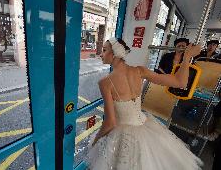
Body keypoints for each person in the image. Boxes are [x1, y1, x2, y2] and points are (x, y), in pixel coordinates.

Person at [87, 37, 203, 170]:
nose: (101, 54)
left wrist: (96, 140)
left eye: (104, 50)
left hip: (123, 134)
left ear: (115, 54)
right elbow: (181, 82)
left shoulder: (105, 82)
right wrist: (187, 57)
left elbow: (110, 122)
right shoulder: (140, 71)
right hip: (144, 125)